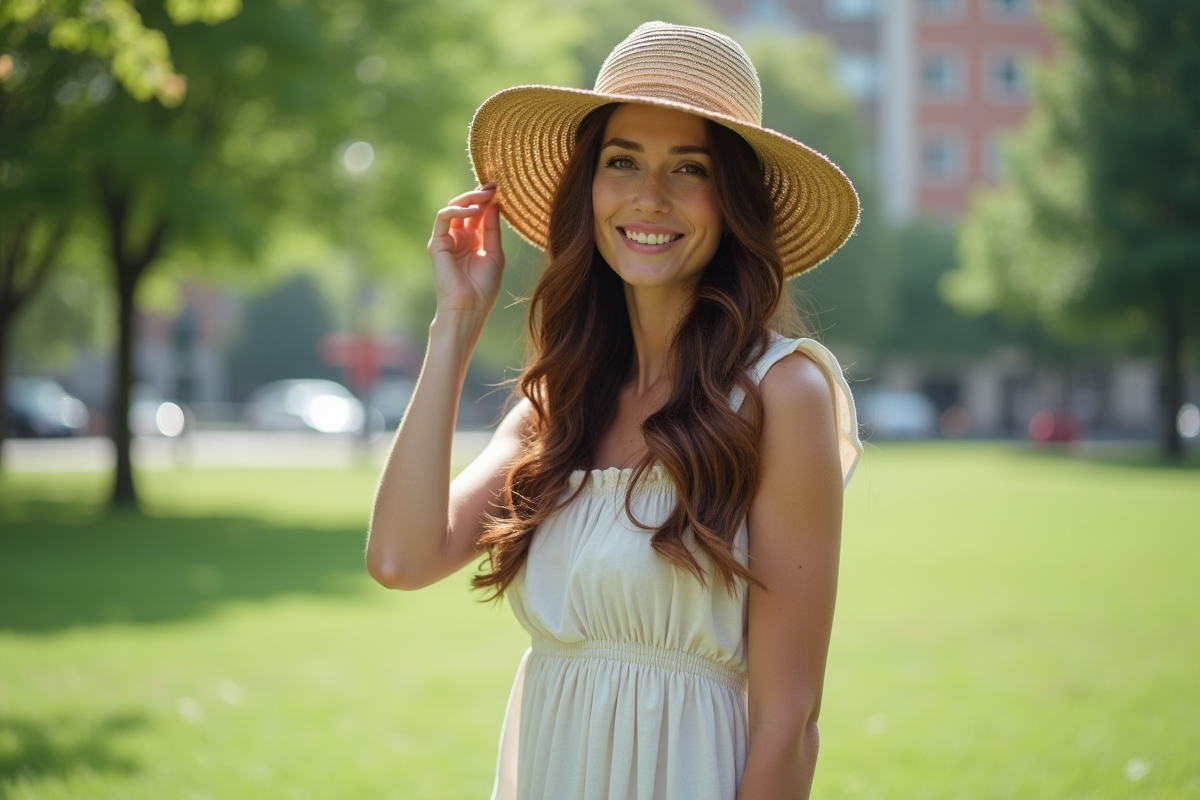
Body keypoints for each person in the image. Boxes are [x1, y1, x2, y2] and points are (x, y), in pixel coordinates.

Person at [367, 21, 864, 800]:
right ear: (588, 187)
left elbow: (789, 720)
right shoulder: (563, 400)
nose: (649, 196)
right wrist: (454, 325)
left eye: (688, 168)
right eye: (621, 160)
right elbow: (401, 557)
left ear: (730, 200)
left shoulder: (781, 395)